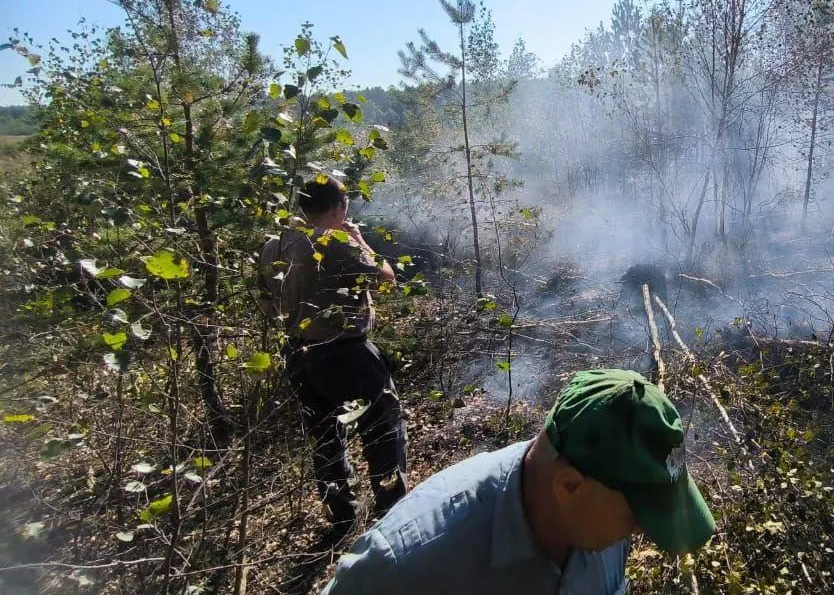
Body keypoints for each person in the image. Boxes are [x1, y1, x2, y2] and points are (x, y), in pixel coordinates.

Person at [320, 369, 717, 595]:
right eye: (636, 516)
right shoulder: (402, 567)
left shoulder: (600, 513)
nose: (641, 531)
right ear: (570, 487)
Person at [257, 177, 408, 535]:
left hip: (297, 354)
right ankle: (393, 515)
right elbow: (387, 278)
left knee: (324, 436)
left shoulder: (274, 246)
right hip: (347, 355)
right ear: (341, 207)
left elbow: (265, 302)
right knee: (384, 429)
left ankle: (342, 517)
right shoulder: (339, 242)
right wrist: (359, 239)